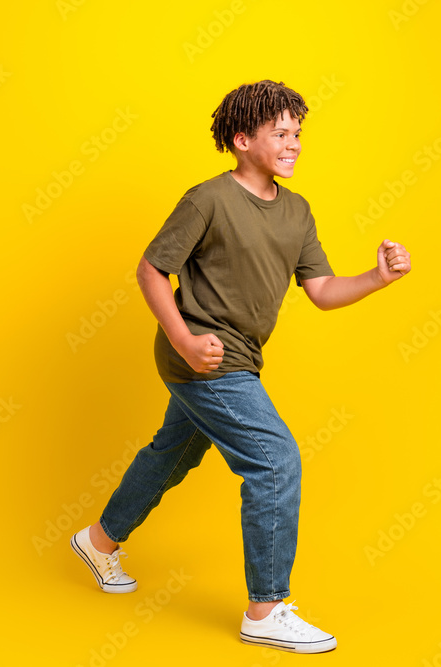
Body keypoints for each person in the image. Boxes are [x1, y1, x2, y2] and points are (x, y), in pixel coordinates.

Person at [70, 79, 411, 653]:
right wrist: (182, 340)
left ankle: (98, 541)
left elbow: (322, 290)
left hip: (242, 360)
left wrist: (378, 277)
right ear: (241, 139)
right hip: (203, 358)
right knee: (275, 460)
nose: (294, 142)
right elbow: (152, 270)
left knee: (172, 455)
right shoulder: (208, 199)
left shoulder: (298, 212)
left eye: (298, 132)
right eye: (280, 133)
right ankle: (266, 609)